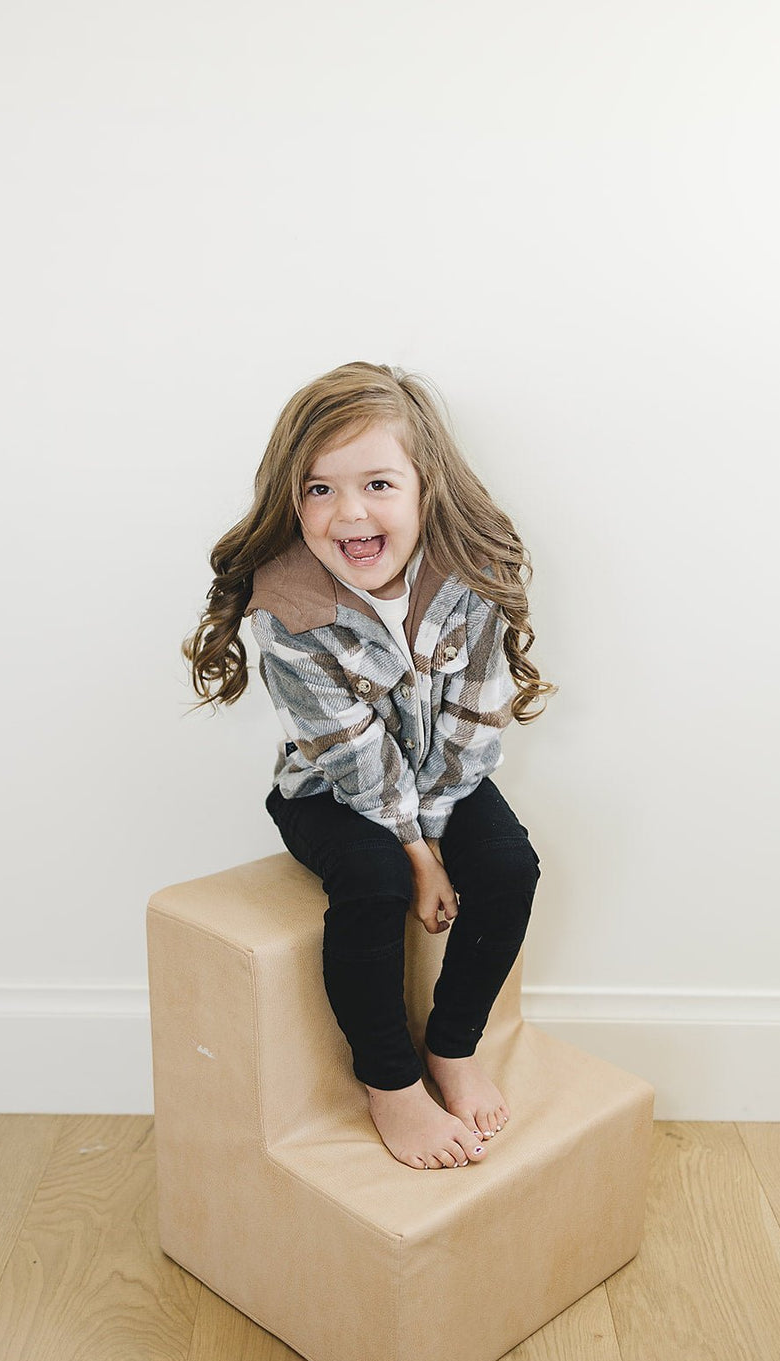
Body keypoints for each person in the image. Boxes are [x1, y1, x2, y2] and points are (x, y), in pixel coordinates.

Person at [182, 361, 557, 1171]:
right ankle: (388, 1081)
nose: (348, 511)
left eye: (377, 483)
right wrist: (419, 856)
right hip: (331, 789)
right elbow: (349, 752)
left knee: (510, 868)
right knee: (376, 885)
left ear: (428, 488)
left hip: (443, 774)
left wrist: (443, 820)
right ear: (293, 500)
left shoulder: (473, 577)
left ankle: (453, 1046)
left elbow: (476, 719)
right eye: (318, 490)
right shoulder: (288, 604)